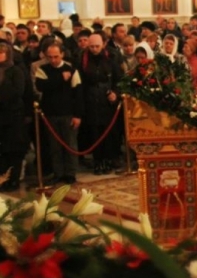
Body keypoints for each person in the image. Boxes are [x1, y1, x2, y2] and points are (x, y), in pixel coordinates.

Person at [35, 43, 84, 185]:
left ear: (62, 54)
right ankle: (58, 173)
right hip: (50, 113)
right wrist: (60, 79)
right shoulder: (42, 69)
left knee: (70, 144)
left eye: (56, 56)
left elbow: (78, 94)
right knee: (54, 146)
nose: (53, 60)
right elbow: (41, 86)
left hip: (68, 113)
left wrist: (78, 115)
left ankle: (70, 173)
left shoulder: (71, 70)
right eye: (50, 57)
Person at [78, 33, 122, 174]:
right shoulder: (82, 60)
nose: (94, 49)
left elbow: (119, 80)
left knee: (108, 133)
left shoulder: (111, 59)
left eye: (97, 46)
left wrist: (115, 93)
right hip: (90, 101)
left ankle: (108, 160)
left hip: (107, 102)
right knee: (94, 133)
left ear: (103, 44)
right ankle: (98, 161)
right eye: (91, 46)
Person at [0, 43, 30, 191]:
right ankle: (2, 179)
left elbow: (18, 92)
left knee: (14, 150)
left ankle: (13, 179)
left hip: (13, 116)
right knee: (2, 151)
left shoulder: (16, 71)